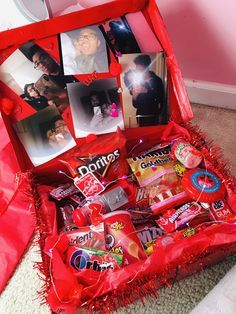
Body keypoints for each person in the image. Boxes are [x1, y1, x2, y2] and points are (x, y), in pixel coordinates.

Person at [124, 54, 164, 127]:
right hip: (140, 115)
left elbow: (160, 99)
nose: (139, 72)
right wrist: (134, 95)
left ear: (147, 68)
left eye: (141, 70)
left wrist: (146, 91)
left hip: (153, 116)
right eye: (137, 70)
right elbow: (135, 105)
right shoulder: (137, 81)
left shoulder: (157, 80)